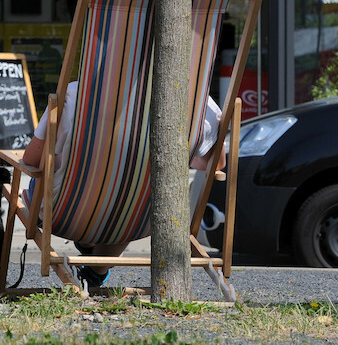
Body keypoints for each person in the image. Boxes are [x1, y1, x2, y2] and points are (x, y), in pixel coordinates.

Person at [21, 81, 222, 290]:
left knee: (110, 189)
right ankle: (95, 268)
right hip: (141, 219)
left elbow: (32, 159)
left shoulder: (75, 92)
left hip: (64, 212)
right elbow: (216, 165)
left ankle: (89, 242)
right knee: (136, 195)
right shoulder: (198, 102)